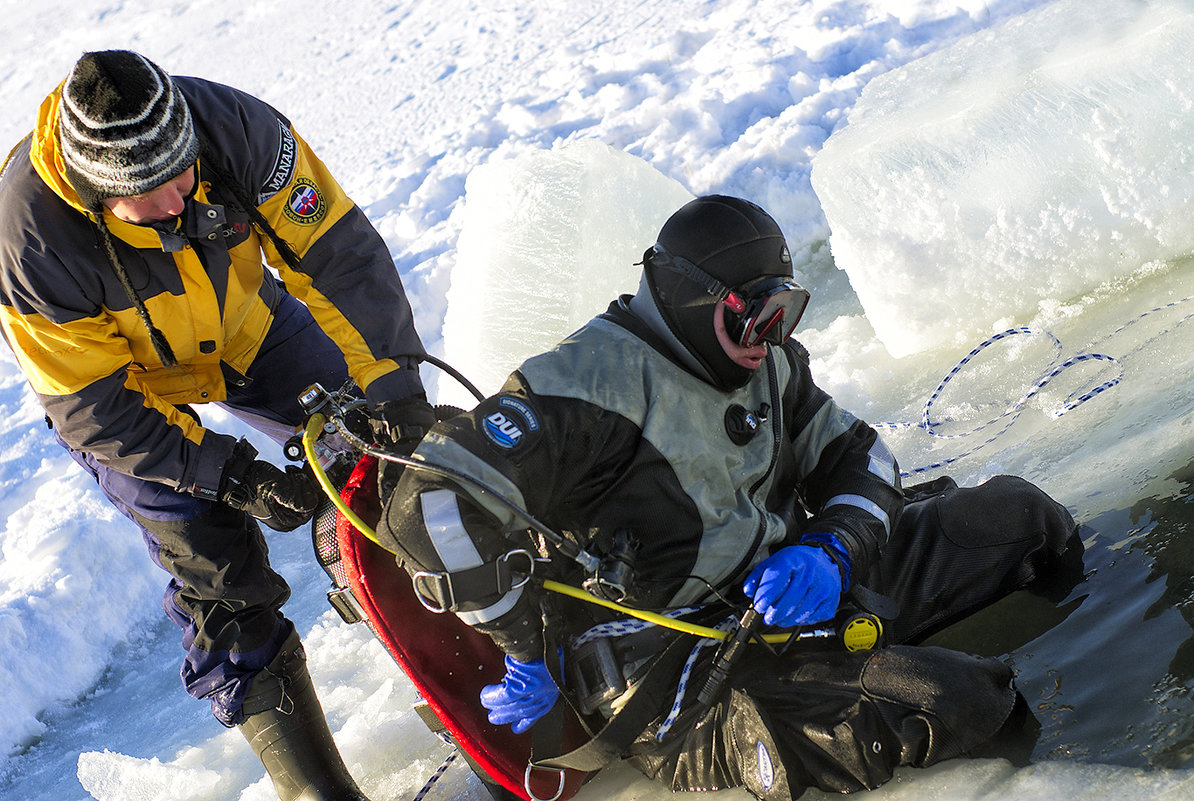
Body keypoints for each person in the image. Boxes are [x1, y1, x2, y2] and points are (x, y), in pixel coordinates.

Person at [374, 195, 1085, 799]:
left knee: (1025, 519)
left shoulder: (767, 359)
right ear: (692, 297)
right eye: (755, 315)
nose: (770, 336)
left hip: (796, 594)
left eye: (787, 311)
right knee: (961, 702)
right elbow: (429, 502)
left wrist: (833, 548)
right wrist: (521, 646)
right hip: (683, 685)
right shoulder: (586, 387)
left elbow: (859, 456)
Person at [0, 50, 437, 801]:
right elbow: (93, 409)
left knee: (383, 457)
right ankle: (315, 788)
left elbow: (337, 253)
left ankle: (456, 654)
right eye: (150, 193)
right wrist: (232, 475)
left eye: (184, 172)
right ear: (99, 192)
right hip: (126, 396)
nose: (179, 196)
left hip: (244, 327)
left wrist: (393, 390)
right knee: (213, 562)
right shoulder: (28, 237)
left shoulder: (238, 132)